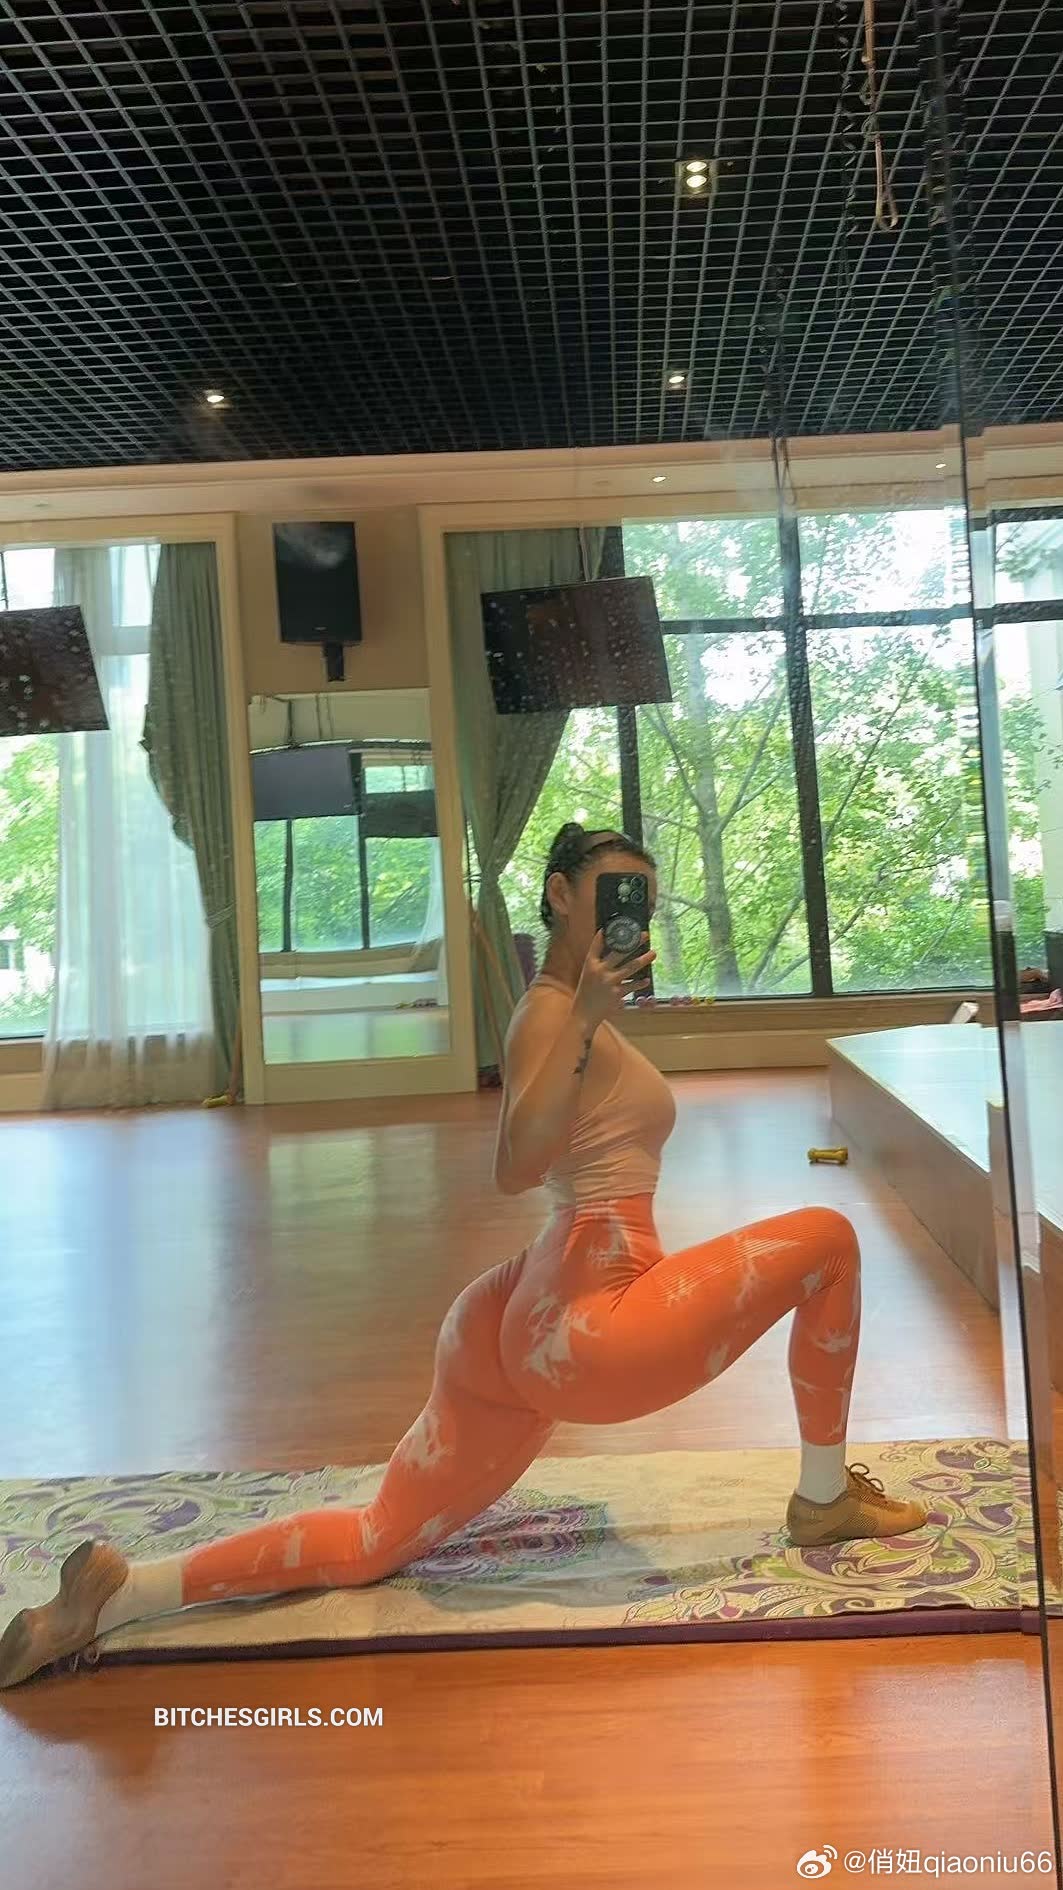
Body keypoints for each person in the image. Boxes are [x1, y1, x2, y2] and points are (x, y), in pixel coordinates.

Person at [0, 822, 928, 1689]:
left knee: (375, 1539)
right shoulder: (552, 1015)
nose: (628, 912)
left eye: (640, 898)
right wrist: (586, 1017)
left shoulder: (569, 1014)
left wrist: (592, 1017)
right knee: (830, 1239)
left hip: (511, 1317)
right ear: (559, 895)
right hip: (583, 1323)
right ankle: (823, 1499)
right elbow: (515, 1166)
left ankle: (121, 1594)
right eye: (611, 891)